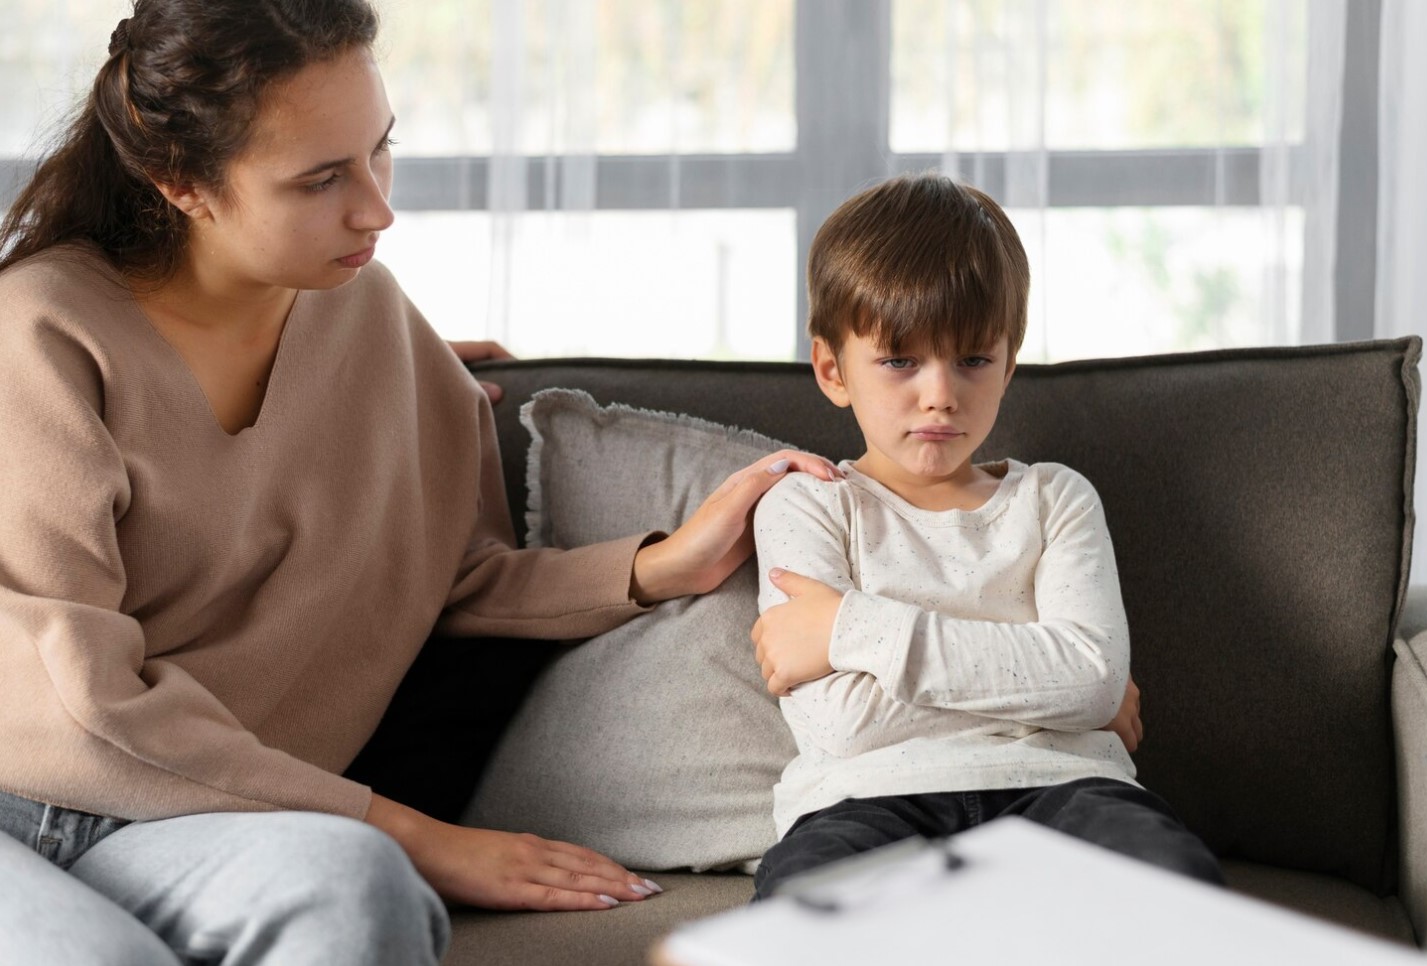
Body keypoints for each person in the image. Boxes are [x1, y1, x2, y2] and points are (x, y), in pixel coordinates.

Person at [0, 1, 838, 962]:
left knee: (356, 885)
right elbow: (72, 703)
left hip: (205, 824)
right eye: (321, 178)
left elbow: (445, 582)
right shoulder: (39, 337)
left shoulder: (369, 321)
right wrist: (418, 835)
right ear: (181, 182)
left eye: (379, 151)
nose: (376, 209)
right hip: (25, 798)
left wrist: (656, 569)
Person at [748, 173, 1223, 899]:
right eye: (900, 360)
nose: (940, 394)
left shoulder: (1055, 498)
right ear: (831, 370)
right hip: (863, 801)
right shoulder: (806, 505)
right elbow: (842, 724)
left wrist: (851, 629)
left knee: (1174, 885)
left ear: (1007, 363)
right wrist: (1049, 686)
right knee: (803, 914)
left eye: (972, 359)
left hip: (1065, 788)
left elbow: (1092, 682)